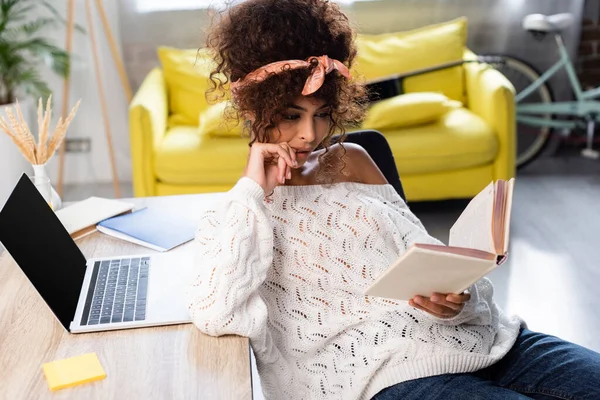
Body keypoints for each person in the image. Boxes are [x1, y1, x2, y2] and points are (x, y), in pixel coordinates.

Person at [185, 1, 600, 399]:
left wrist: (458, 298)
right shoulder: (234, 213)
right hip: (382, 376)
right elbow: (215, 311)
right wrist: (253, 191)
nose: (311, 134)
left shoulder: (354, 161)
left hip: (488, 339)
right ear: (256, 108)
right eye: (292, 115)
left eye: (323, 113)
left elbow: (425, 254)